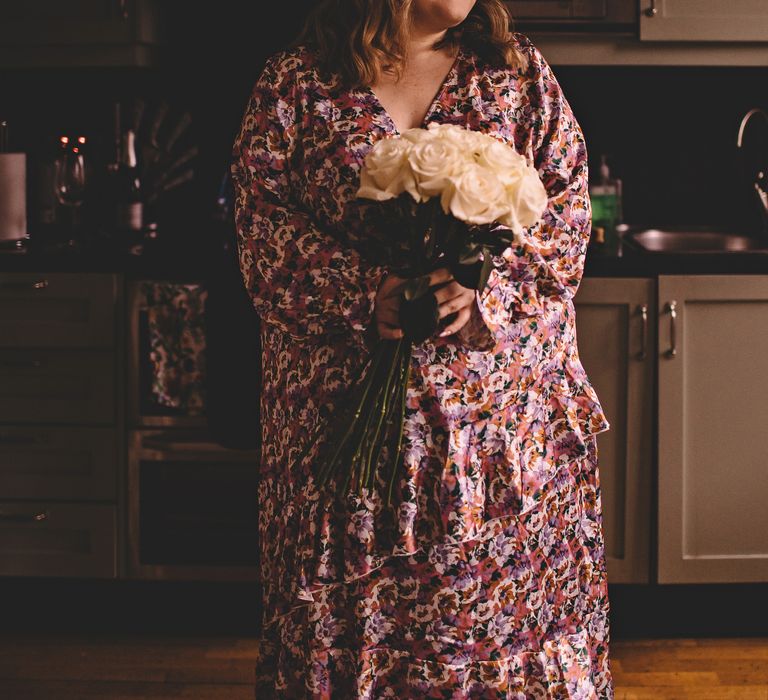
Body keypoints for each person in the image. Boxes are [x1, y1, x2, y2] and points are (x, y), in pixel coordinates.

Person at [230, 0, 614, 696]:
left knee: (492, 637)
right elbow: (262, 228)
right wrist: (362, 294)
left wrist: (482, 289)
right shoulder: (298, 83)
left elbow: (567, 216)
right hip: (343, 437)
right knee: (351, 624)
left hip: (493, 446)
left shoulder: (515, 75)